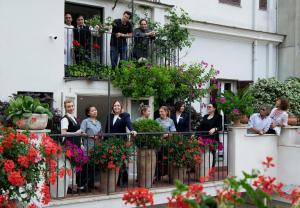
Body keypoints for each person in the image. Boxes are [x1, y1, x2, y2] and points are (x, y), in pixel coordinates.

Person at [105, 100, 137, 186]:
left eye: (118, 105)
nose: (116, 107)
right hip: (111, 142)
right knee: (113, 161)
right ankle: (115, 180)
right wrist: (105, 142)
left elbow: (129, 124)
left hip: (121, 142)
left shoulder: (125, 115)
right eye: (115, 106)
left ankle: (123, 182)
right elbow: (106, 129)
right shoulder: (109, 116)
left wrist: (132, 130)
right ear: (113, 107)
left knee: (123, 162)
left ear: (121, 107)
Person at [80, 105, 102, 190]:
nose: (95, 112)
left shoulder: (99, 122)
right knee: (87, 166)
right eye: (92, 111)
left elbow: (101, 133)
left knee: (94, 166)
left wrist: (99, 136)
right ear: (88, 113)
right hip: (87, 146)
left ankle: (91, 184)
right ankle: (84, 185)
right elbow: (81, 132)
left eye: (95, 110)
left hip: (96, 147)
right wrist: (91, 136)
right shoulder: (85, 121)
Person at [198, 103, 222, 167]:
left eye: (210, 107)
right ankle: (205, 168)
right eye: (207, 107)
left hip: (213, 138)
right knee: (203, 153)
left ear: (214, 108)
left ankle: (212, 169)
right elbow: (200, 127)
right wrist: (195, 133)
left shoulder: (218, 116)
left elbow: (220, 127)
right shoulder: (205, 116)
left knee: (212, 154)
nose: (208, 108)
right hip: (204, 138)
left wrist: (215, 128)